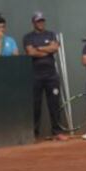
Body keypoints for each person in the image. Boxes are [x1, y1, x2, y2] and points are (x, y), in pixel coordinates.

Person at [23, 12, 69, 141]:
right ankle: (35, 134)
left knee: (54, 104)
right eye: (38, 21)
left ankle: (57, 132)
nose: (41, 23)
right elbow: (31, 52)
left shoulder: (51, 34)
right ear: (34, 23)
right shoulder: (28, 37)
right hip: (35, 76)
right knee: (35, 105)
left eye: (42, 21)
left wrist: (39, 48)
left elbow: (55, 48)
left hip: (51, 75)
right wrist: (46, 49)